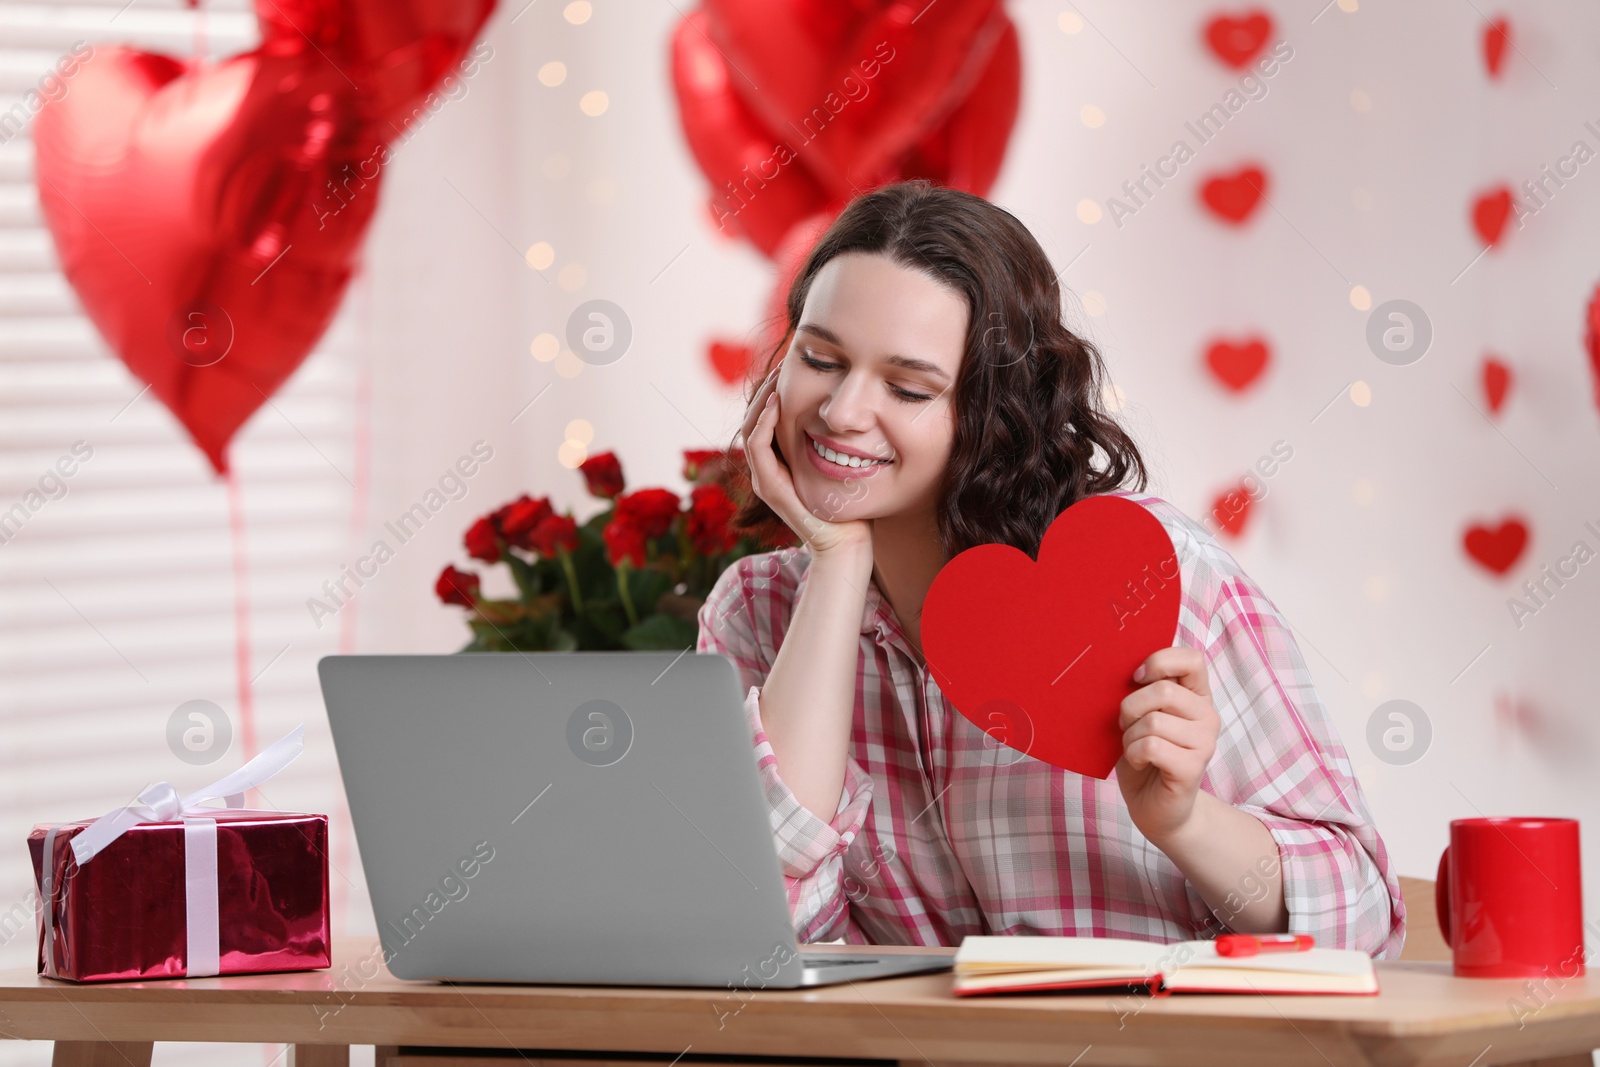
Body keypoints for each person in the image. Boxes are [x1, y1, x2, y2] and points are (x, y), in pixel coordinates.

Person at [695, 179, 1405, 958]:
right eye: (821, 358)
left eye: (907, 386)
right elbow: (752, 930)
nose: (840, 411)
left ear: (993, 409)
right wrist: (834, 564)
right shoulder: (756, 613)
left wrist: (1185, 821)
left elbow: (1363, 919)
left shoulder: (1159, 577)